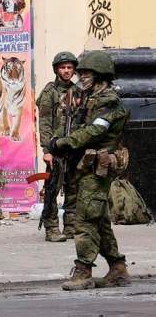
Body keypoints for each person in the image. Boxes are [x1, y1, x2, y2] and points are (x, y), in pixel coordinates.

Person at [51, 51, 131, 291]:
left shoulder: (108, 102)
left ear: (100, 75)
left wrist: (63, 143)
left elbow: (94, 132)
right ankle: (117, 268)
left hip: (98, 170)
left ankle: (83, 271)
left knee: (85, 219)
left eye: (87, 73)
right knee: (99, 220)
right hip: (85, 167)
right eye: (81, 72)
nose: (81, 76)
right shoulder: (89, 98)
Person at [35, 51, 80, 242]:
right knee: (53, 188)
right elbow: (45, 123)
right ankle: (51, 228)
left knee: (74, 188)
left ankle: (70, 226)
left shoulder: (78, 91)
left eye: (70, 67)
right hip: (55, 148)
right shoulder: (50, 92)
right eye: (63, 67)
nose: (67, 71)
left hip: (74, 147)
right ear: (56, 70)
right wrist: (46, 150)